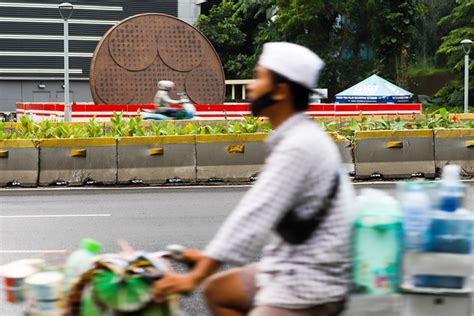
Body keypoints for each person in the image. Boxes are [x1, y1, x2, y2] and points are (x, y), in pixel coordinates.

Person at [153, 42, 355, 316]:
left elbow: (253, 218)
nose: (251, 86)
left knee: (211, 285)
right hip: (289, 265)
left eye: (259, 77)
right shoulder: (297, 137)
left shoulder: (299, 146)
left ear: (281, 91)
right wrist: (208, 260)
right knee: (218, 291)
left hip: (311, 282)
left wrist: (195, 276)